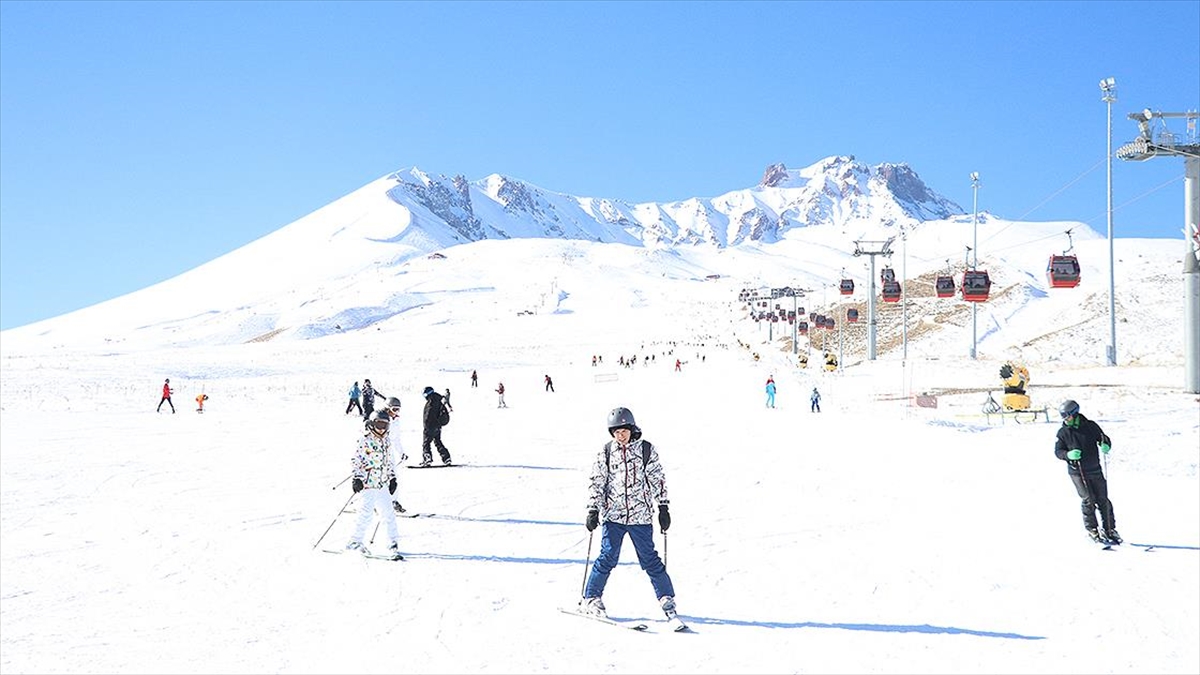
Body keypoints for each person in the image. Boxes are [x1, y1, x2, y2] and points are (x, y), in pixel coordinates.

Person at [579, 407, 678, 623]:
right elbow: (598, 481)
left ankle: (666, 597)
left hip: (640, 516)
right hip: (613, 516)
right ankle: (591, 597)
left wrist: (663, 506)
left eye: (624, 431)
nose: (621, 436)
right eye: (616, 432)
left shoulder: (646, 450)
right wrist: (593, 509)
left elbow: (657, 478)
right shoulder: (607, 451)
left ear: (631, 429)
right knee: (607, 556)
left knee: (650, 559)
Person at [1054, 399, 1120, 544]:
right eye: (1062, 416)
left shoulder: (1090, 426)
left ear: (1074, 414)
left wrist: (1105, 444)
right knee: (1088, 500)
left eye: (1066, 416)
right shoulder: (1063, 432)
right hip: (1077, 472)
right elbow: (1058, 451)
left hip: (1095, 469)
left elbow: (1103, 438)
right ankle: (1092, 529)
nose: (1065, 419)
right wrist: (1068, 455)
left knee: (1103, 499)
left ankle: (1110, 529)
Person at [345, 410, 402, 560]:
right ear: (371, 424)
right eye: (379, 425)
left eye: (385, 425)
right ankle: (355, 541)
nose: (382, 429)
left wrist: (392, 478)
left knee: (388, 513)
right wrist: (357, 478)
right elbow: (356, 460)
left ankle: (392, 542)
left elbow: (389, 461)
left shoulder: (386, 440)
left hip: (382, 483)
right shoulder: (365, 440)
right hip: (368, 483)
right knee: (366, 513)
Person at [384, 397, 407, 514]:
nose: (396, 412)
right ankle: (372, 502)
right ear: (388, 408)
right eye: (394, 409)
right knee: (377, 478)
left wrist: (401, 452)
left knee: (393, 478)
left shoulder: (396, 421)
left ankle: (393, 501)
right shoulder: (380, 419)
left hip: (389, 453)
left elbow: (396, 439)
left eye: (398, 409)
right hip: (377, 453)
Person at [420, 386, 452, 467]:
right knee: (438, 442)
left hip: (430, 426)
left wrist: (426, 426)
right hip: (438, 426)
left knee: (426, 443)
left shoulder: (431, 402)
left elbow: (428, 415)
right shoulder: (439, 400)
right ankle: (446, 458)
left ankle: (427, 458)